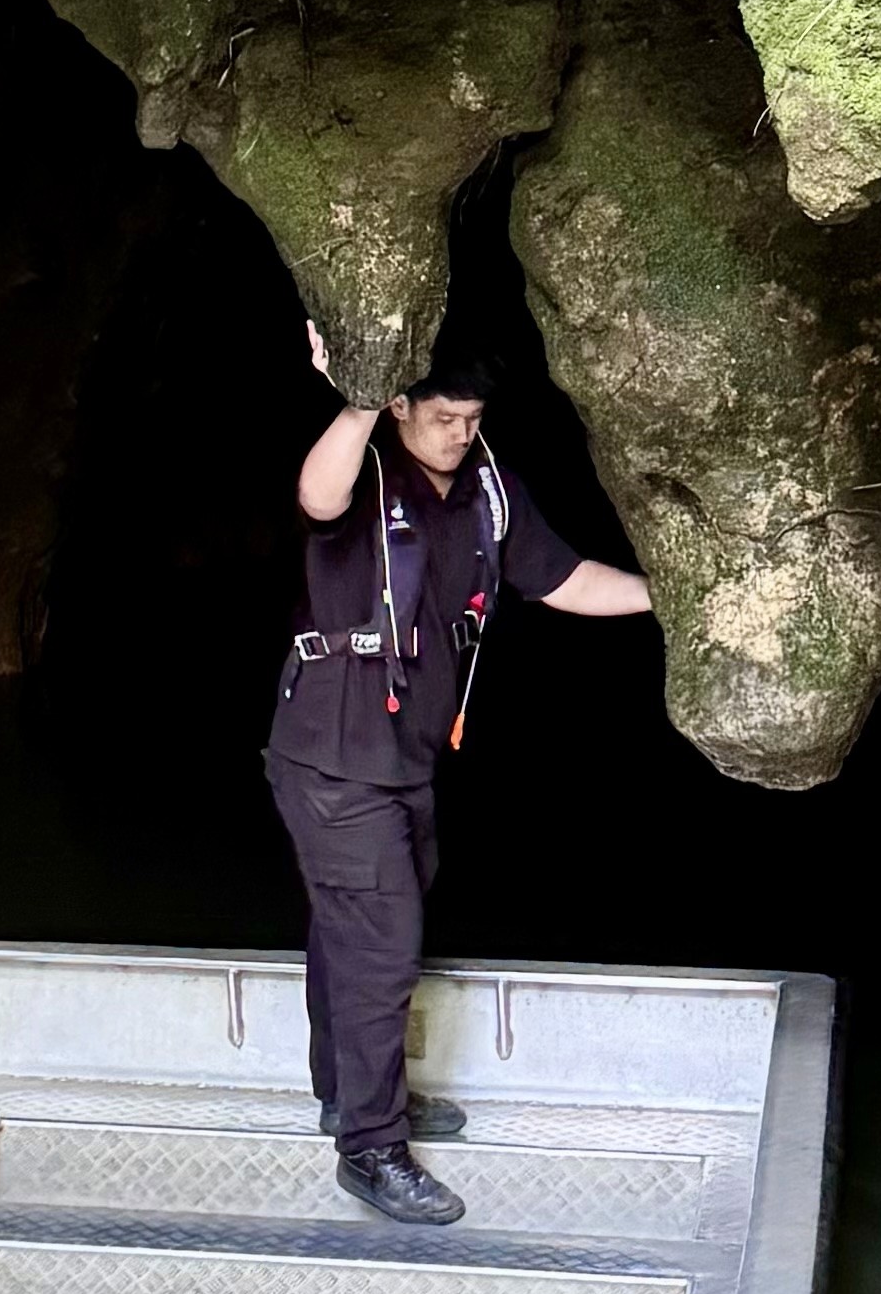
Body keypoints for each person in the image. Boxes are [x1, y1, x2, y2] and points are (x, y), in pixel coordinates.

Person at [269, 318, 651, 1223]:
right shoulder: (365, 469)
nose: (460, 434)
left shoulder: (488, 488)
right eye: (443, 416)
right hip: (331, 755)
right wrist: (360, 398)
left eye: (473, 417)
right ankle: (371, 1148)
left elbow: (563, 580)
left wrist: (664, 599)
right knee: (382, 941)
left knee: (356, 927)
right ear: (401, 407)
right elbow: (315, 497)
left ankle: (348, 1091)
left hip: (402, 757)